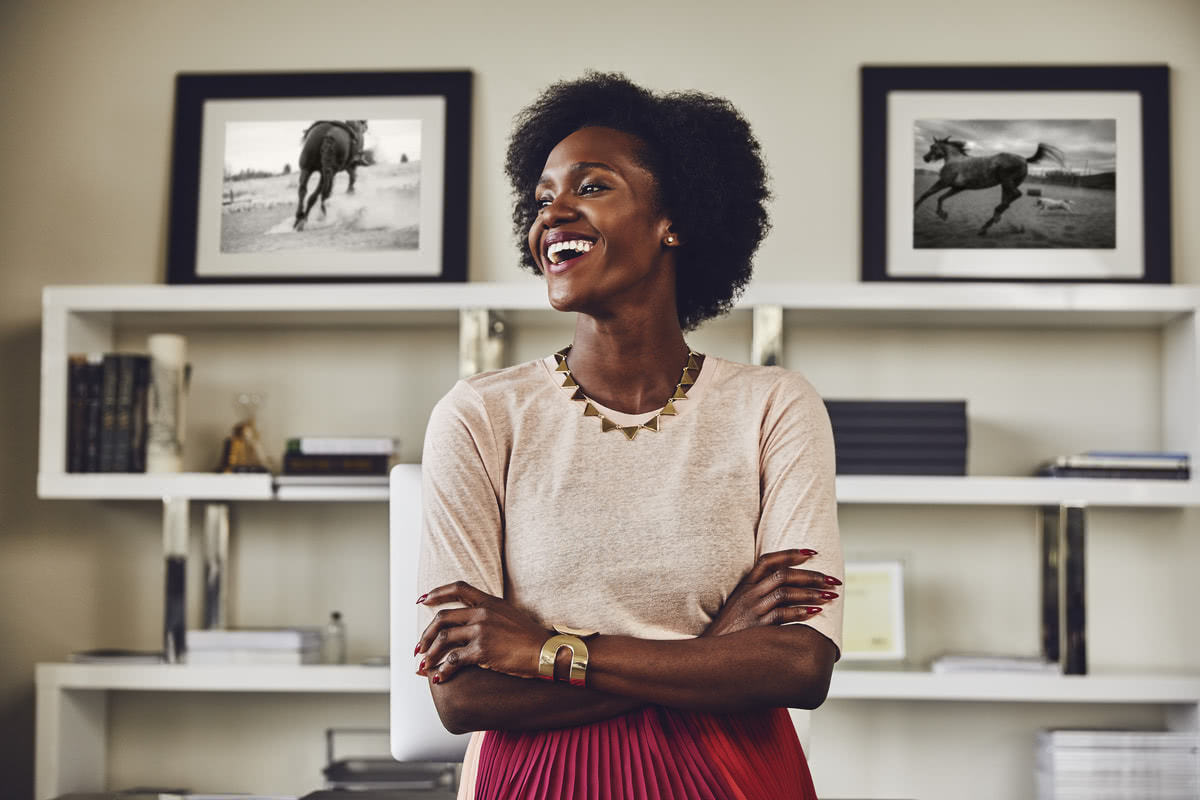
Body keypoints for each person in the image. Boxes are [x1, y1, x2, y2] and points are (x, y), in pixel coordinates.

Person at [415, 72, 843, 800]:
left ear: (672, 217)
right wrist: (714, 652)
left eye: (593, 187)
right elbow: (463, 699)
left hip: (733, 776)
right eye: (543, 197)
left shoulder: (774, 406)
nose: (554, 214)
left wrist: (541, 651)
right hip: (534, 781)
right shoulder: (480, 415)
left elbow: (799, 668)